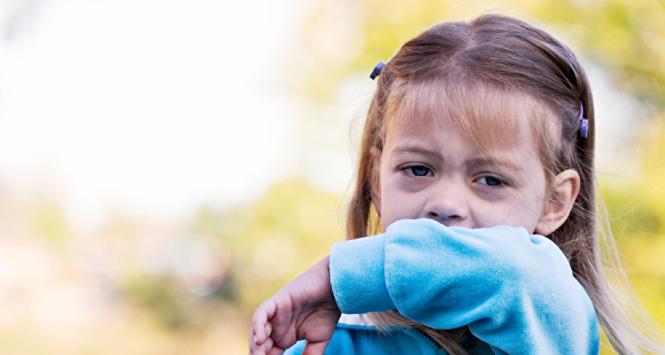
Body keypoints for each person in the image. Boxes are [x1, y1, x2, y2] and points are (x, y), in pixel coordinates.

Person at [249, 14, 664, 355]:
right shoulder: (326, 341)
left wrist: (341, 278)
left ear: (554, 203)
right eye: (418, 170)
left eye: (490, 179)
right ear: (377, 178)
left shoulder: (547, 319)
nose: (445, 202)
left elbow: (513, 271)